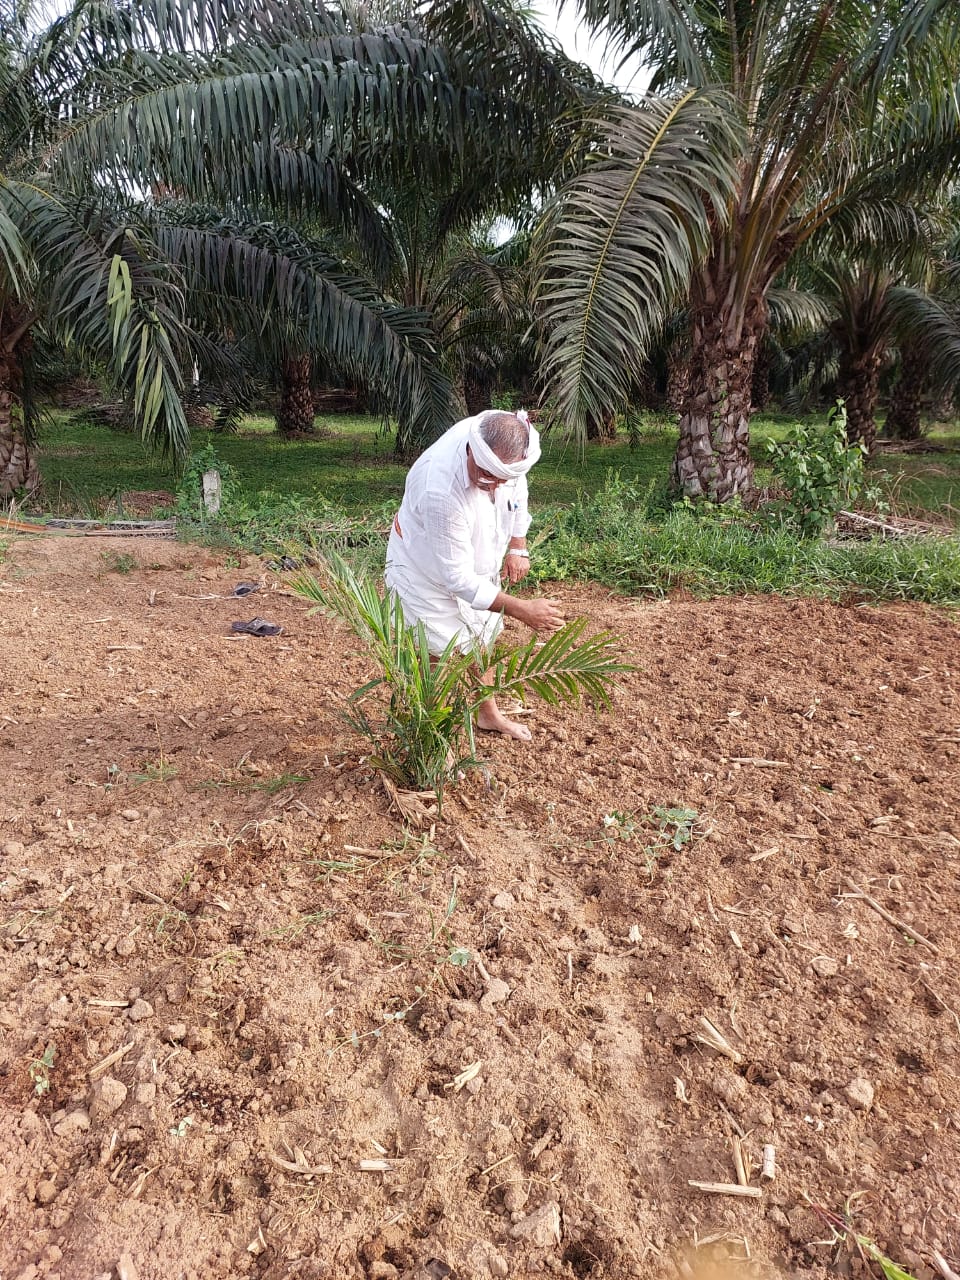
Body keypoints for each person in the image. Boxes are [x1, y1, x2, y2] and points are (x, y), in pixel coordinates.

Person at [385, 409, 564, 742]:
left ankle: (488, 715)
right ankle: (432, 734)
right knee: (436, 648)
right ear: (471, 449)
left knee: (483, 638)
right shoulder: (439, 488)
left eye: (499, 477)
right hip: (424, 567)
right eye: (483, 473)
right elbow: (455, 577)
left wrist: (517, 547)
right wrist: (521, 609)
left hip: (474, 557)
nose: (490, 483)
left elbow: (518, 492)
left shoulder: (510, 443)